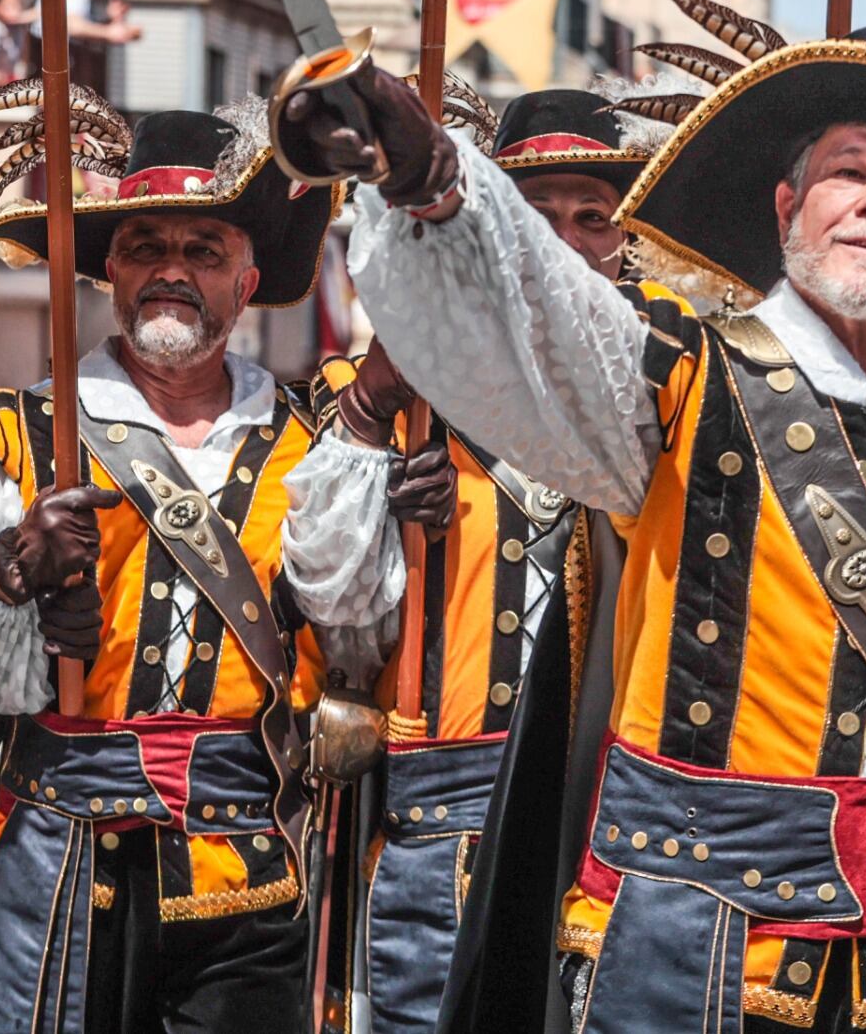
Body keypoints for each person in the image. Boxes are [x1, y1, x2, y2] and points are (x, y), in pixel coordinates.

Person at [273, 4, 866, 1034]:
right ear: (785, 209)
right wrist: (431, 176)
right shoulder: (682, 371)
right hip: (688, 953)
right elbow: (547, 309)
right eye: (849, 174)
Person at [0, 101, 348, 1034]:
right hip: (57, 861)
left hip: (248, 877)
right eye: (146, 246)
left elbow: (362, 636)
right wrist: (9, 568)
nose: (172, 271)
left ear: (249, 280)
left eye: (205, 250)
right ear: (111, 270)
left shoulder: (317, 450)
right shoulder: (18, 431)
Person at [284, 87, 679, 1034]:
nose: (569, 242)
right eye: (539, 216)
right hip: (442, 812)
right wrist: (374, 443)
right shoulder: (394, 389)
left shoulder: (669, 383)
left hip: (608, 805)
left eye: (595, 219)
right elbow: (333, 609)